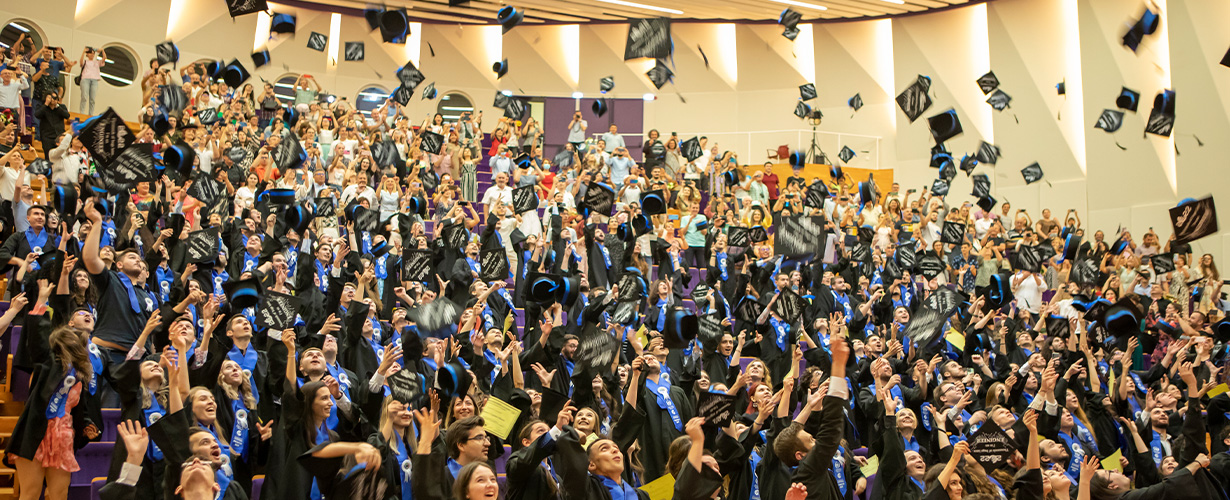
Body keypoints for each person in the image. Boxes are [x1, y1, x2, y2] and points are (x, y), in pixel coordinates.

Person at [78, 47, 105, 115]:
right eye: (91, 53)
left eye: (93, 53)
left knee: (92, 98)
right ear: (88, 54)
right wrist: (83, 52)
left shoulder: (97, 62)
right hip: (85, 79)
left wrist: (102, 50)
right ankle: (82, 112)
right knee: (84, 96)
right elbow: (81, 62)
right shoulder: (85, 61)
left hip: (94, 80)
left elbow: (104, 58)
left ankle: (91, 114)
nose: (92, 55)